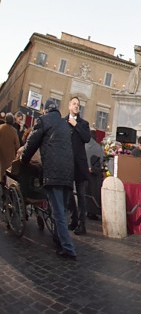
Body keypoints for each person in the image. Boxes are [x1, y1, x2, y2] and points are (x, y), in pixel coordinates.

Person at [21, 99, 77, 260]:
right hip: (68, 172)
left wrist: (24, 161)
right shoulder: (64, 124)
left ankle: (68, 248)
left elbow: (31, 143)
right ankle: (59, 239)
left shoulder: (43, 121)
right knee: (61, 210)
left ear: (45, 110)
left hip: (53, 172)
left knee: (58, 212)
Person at [64, 96, 91, 235]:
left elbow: (87, 138)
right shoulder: (62, 122)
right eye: (74, 104)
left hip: (79, 164)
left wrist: (76, 125)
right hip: (67, 164)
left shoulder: (83, 124)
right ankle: (74, 219)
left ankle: (82, 224)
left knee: (81, 195)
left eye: (78, 105)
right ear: (69, 106)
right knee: (68, 194)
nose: (76, 106)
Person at [84, 129, 103, 219]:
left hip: (86, 173)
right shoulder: (98, 148)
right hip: (94, 175)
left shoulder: (84, 146)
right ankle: (92, 213)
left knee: (86, 192)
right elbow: (101, 162)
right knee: (93, 193)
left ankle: (87, 211)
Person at [0, 113, 20, 185]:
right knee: (5, 176)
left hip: (1, 155)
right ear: (12, 121)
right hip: (9, 158)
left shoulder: (1, 127)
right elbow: (17, 145)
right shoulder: (14, 131)